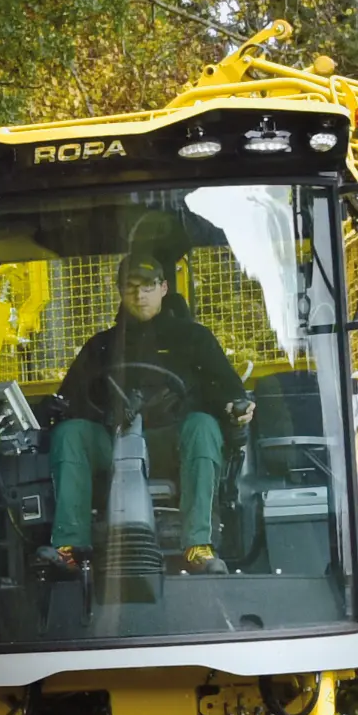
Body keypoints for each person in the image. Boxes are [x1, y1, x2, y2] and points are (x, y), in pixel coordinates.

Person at [47, 226, 247, 577]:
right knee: (70, 434)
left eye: (148, 286)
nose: (140, 295)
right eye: (131, 287)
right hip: (115, 441)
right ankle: (69, 548)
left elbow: (230, 390)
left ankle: (198, 546)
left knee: (202, 425)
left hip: (172, 443)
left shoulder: (195, 339)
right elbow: (69, 398)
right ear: (121, 292)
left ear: (164, 288)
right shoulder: (102, 345)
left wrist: (237, 406)